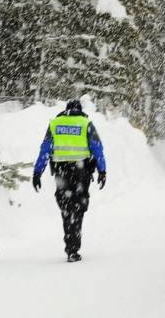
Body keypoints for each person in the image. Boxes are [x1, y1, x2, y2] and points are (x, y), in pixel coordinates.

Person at [32, 99, 107, 262]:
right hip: (81, 172)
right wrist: (102, 171)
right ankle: (74, 246)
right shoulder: (86, 123)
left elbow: (45, 149)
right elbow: (97, 148)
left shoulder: (55, 124)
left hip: (61, 172)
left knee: (66, 207)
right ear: (79, 109)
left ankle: (70, 243)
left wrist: (37, 172)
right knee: (78, 207)